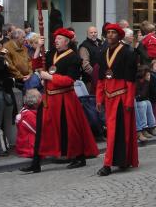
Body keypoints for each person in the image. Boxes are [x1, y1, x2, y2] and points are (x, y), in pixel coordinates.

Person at [20, 28, 99, 173]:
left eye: (59, 39)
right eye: (55, 39)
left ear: (66, 42)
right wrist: (38, 47)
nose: (56, 41)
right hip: (49, 98)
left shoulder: (74, 58)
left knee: (70, 129)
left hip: (65, 99)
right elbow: (36, 66)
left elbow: (69, 80)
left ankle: (79, 157)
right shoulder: (50, 54)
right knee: (41, 128)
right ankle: (36, 163)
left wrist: (49, 77)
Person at [96, 23, 138, 176]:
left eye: (113, 33)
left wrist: (128, 102)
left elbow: (130, 81)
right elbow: (101, 79)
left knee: (119, 132)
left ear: (119, 36)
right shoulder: (102, 53)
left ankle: (108, 164)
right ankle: (120, 161)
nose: (110, 35)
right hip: (108, 98)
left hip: (121, 97)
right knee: (113, 132)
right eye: (108, 33)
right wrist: (99, 100)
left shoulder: (128, 53)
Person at [15, 89, 41, 158]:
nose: (41, 99)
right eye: (40, 97)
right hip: (29, 149)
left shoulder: (25, 112)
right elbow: (39, 131)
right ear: (35, 100)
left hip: (26, 147)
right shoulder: (28, 115)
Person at [135, 65, 156, 140]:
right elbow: (141, 95)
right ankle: (143, 128)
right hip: (136, 101)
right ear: (143, 75)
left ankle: (152, 126)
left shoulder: (146, 82)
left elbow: (150, 94)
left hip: (141, 100)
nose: (149, 76)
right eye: (148, 74)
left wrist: (148, 83)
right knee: (143, 104)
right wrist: (147, 83)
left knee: (147, 102)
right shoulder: (137, 82)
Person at [79, 26, 103, 95]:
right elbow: (85, 65)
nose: (93, 34)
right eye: (91, 32)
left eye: (95, 32)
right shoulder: (84, 46)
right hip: (90, 80)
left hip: (100, 79)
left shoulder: (100, 43)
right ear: (87, 34)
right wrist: (95, 74)